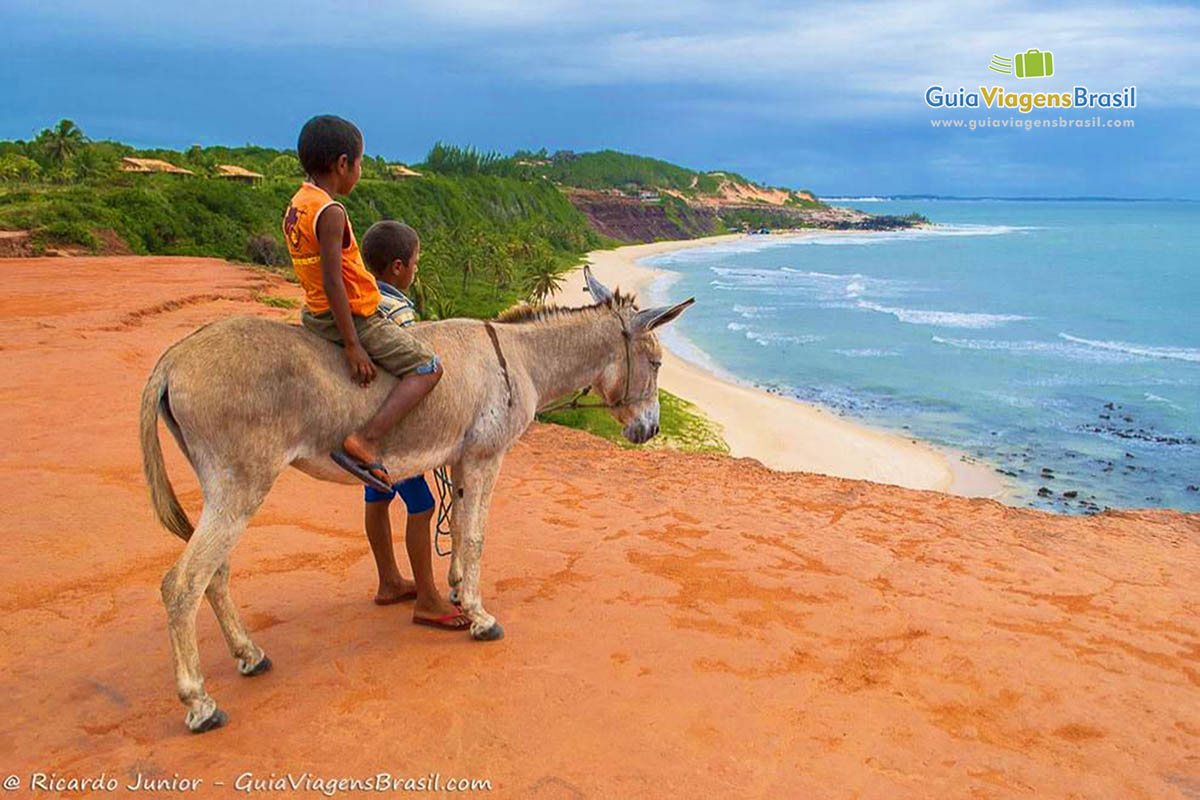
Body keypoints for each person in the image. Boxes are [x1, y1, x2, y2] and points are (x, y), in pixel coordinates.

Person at [282, 115, 442, 491]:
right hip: (352, 315)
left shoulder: (298, 203)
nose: (360, 170)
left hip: (314, 311)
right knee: (428, 368)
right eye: (359, 163)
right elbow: (334, 280)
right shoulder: (331, 212)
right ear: (342, 164)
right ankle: (365, 439)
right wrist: (353, 343)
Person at [358, 220, 467, 629]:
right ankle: (427, 597)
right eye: (417, 263)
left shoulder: (367, 299)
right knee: (423, 505)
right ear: (400, 267)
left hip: (365, 417)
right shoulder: (398, 310)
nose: (418, 270)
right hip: (394, 430)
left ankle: (388, 580)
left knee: (377, 496)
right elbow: (409, 364)